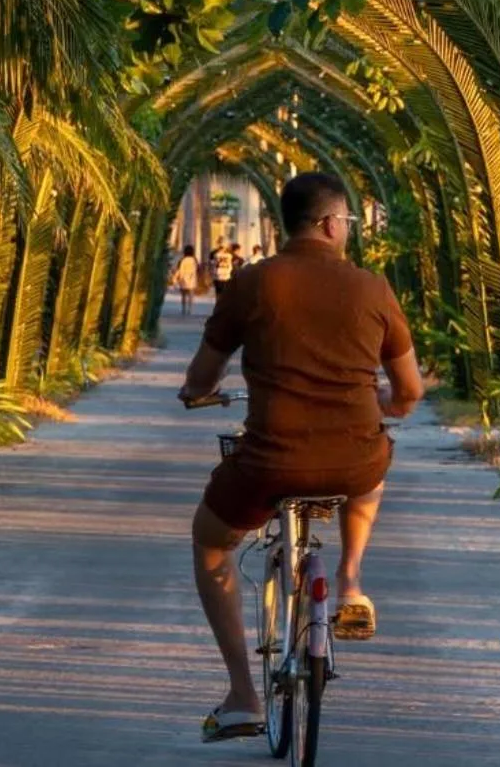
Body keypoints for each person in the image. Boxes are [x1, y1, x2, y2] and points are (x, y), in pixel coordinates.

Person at [180, 172, 423, 743]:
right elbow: (409, 391)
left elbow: (202, 374)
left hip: (268, 463)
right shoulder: (374, 289)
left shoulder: (251, 284)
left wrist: (196, 394)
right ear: (333, 224)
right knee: (373, 460)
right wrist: (387, 402)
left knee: (211, 542)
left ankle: (243, 695)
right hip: (353, 461)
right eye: (349, 225)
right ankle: (349, 580)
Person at [172, 245, 199, 318]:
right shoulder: (194, 260)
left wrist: (175, 279)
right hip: (192, 279)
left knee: (183, 296)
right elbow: (197, 269)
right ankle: (190, 309)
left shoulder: (182, 260)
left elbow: (179, 270)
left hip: (183, 279)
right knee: (191, 295)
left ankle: (183, 309)